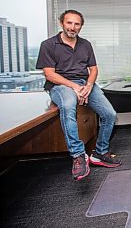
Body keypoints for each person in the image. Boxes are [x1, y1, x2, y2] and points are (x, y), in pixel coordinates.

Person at [36, 10, 122, 182]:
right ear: (62, 23)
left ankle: (99, 153)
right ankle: (78, 155)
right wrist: (75, 87)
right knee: (68, 106)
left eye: (77, 24)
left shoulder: (85, 44)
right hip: (60, 85)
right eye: (69, 23)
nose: (73, 27)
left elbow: (94, 69)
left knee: (110, 114)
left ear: (81, 26)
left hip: (84, 84)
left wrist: (88, 86)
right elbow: (50, 74)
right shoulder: (48, 45)